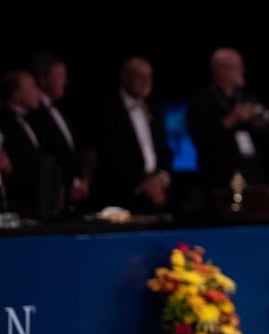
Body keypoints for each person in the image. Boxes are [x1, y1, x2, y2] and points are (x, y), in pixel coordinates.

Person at [186, 46, 269, 199]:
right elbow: (201, 140)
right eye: (236, 67)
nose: (242, 71)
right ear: (220, 71)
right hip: (219, 176)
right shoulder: (202, 101)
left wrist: (259, 125)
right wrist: (230, 120)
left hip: (252, 172)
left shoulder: (248, 98)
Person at [83, 56, 174, 214]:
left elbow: (163, 149)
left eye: (149, 77)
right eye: (140, 77)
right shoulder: (107, 111)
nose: (146, 81)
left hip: (156, 194)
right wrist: (143, 184)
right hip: (122, 196)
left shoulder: (154, 109)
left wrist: (161, 178)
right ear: (125, 78)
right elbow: (111, 155)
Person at [28, 51, 90, 212]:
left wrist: (78, 181)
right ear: (42, 79)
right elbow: (46, 154)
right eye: (60, 76)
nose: (66, 82)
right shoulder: (33, 113)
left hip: (69, 195)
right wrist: (68, 184)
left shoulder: (59, 110)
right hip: (48, 197)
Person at [0, 68, 56, 220]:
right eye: (32, 87)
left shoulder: (33, 122)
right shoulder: (5, 123)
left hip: (35, 205)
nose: (38, 91)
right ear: (16, 93)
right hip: (14, 206)